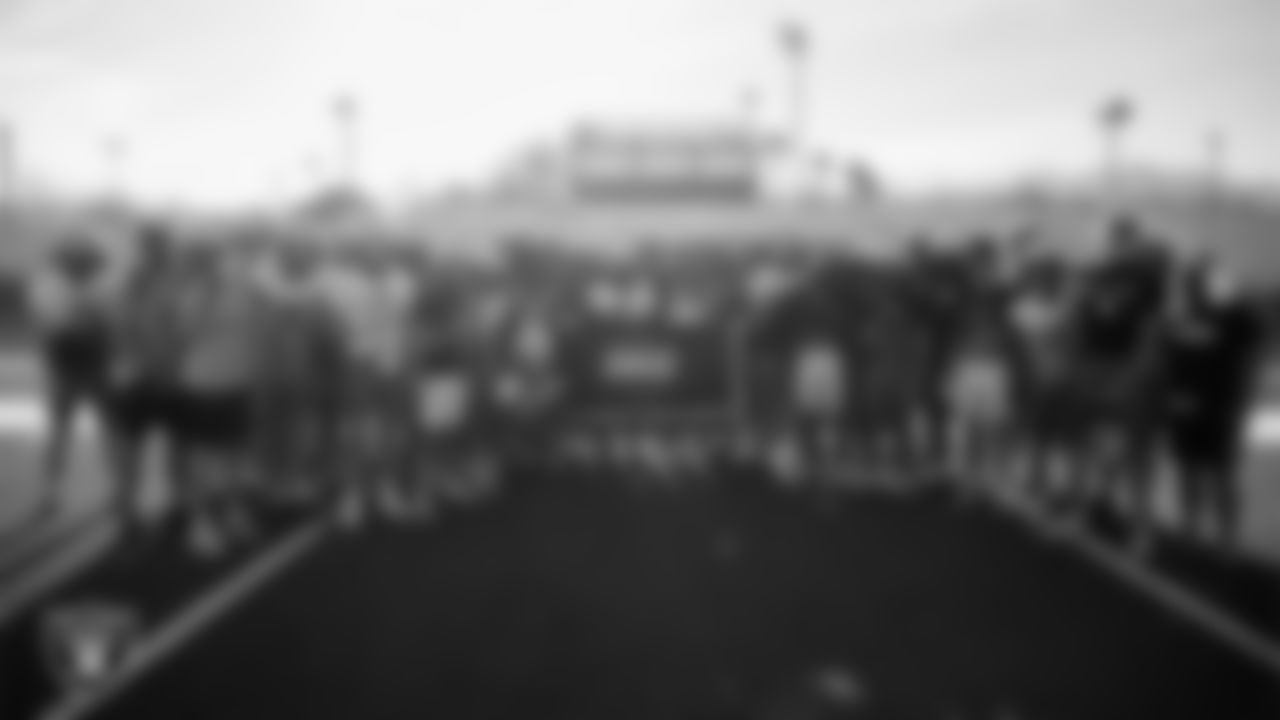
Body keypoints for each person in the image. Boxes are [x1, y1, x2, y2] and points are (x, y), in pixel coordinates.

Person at [1164, 258, 1265, 557]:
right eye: (1189, 280)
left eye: (1199, 279)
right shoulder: (1179, 318)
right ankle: (1189, 532)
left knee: (1222, 475)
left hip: (1220, 409)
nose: (1193, 285)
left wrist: (1244, 399)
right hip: (1183, 408)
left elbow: (1253, 354)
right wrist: (1172, 398)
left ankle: (1227, 540)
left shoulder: (1235, 316)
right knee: (1187, 471)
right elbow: (1172, 363)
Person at [28, 235, 120, 520]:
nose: (81, 267)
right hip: (69, 369)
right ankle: (51, 491)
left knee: (109, 433)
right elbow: (53, 325)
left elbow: (109, 326)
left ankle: (118, 489)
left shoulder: (104, 288)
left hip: (95, 368)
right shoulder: (51, 287)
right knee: (60, 434)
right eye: (76, 262)